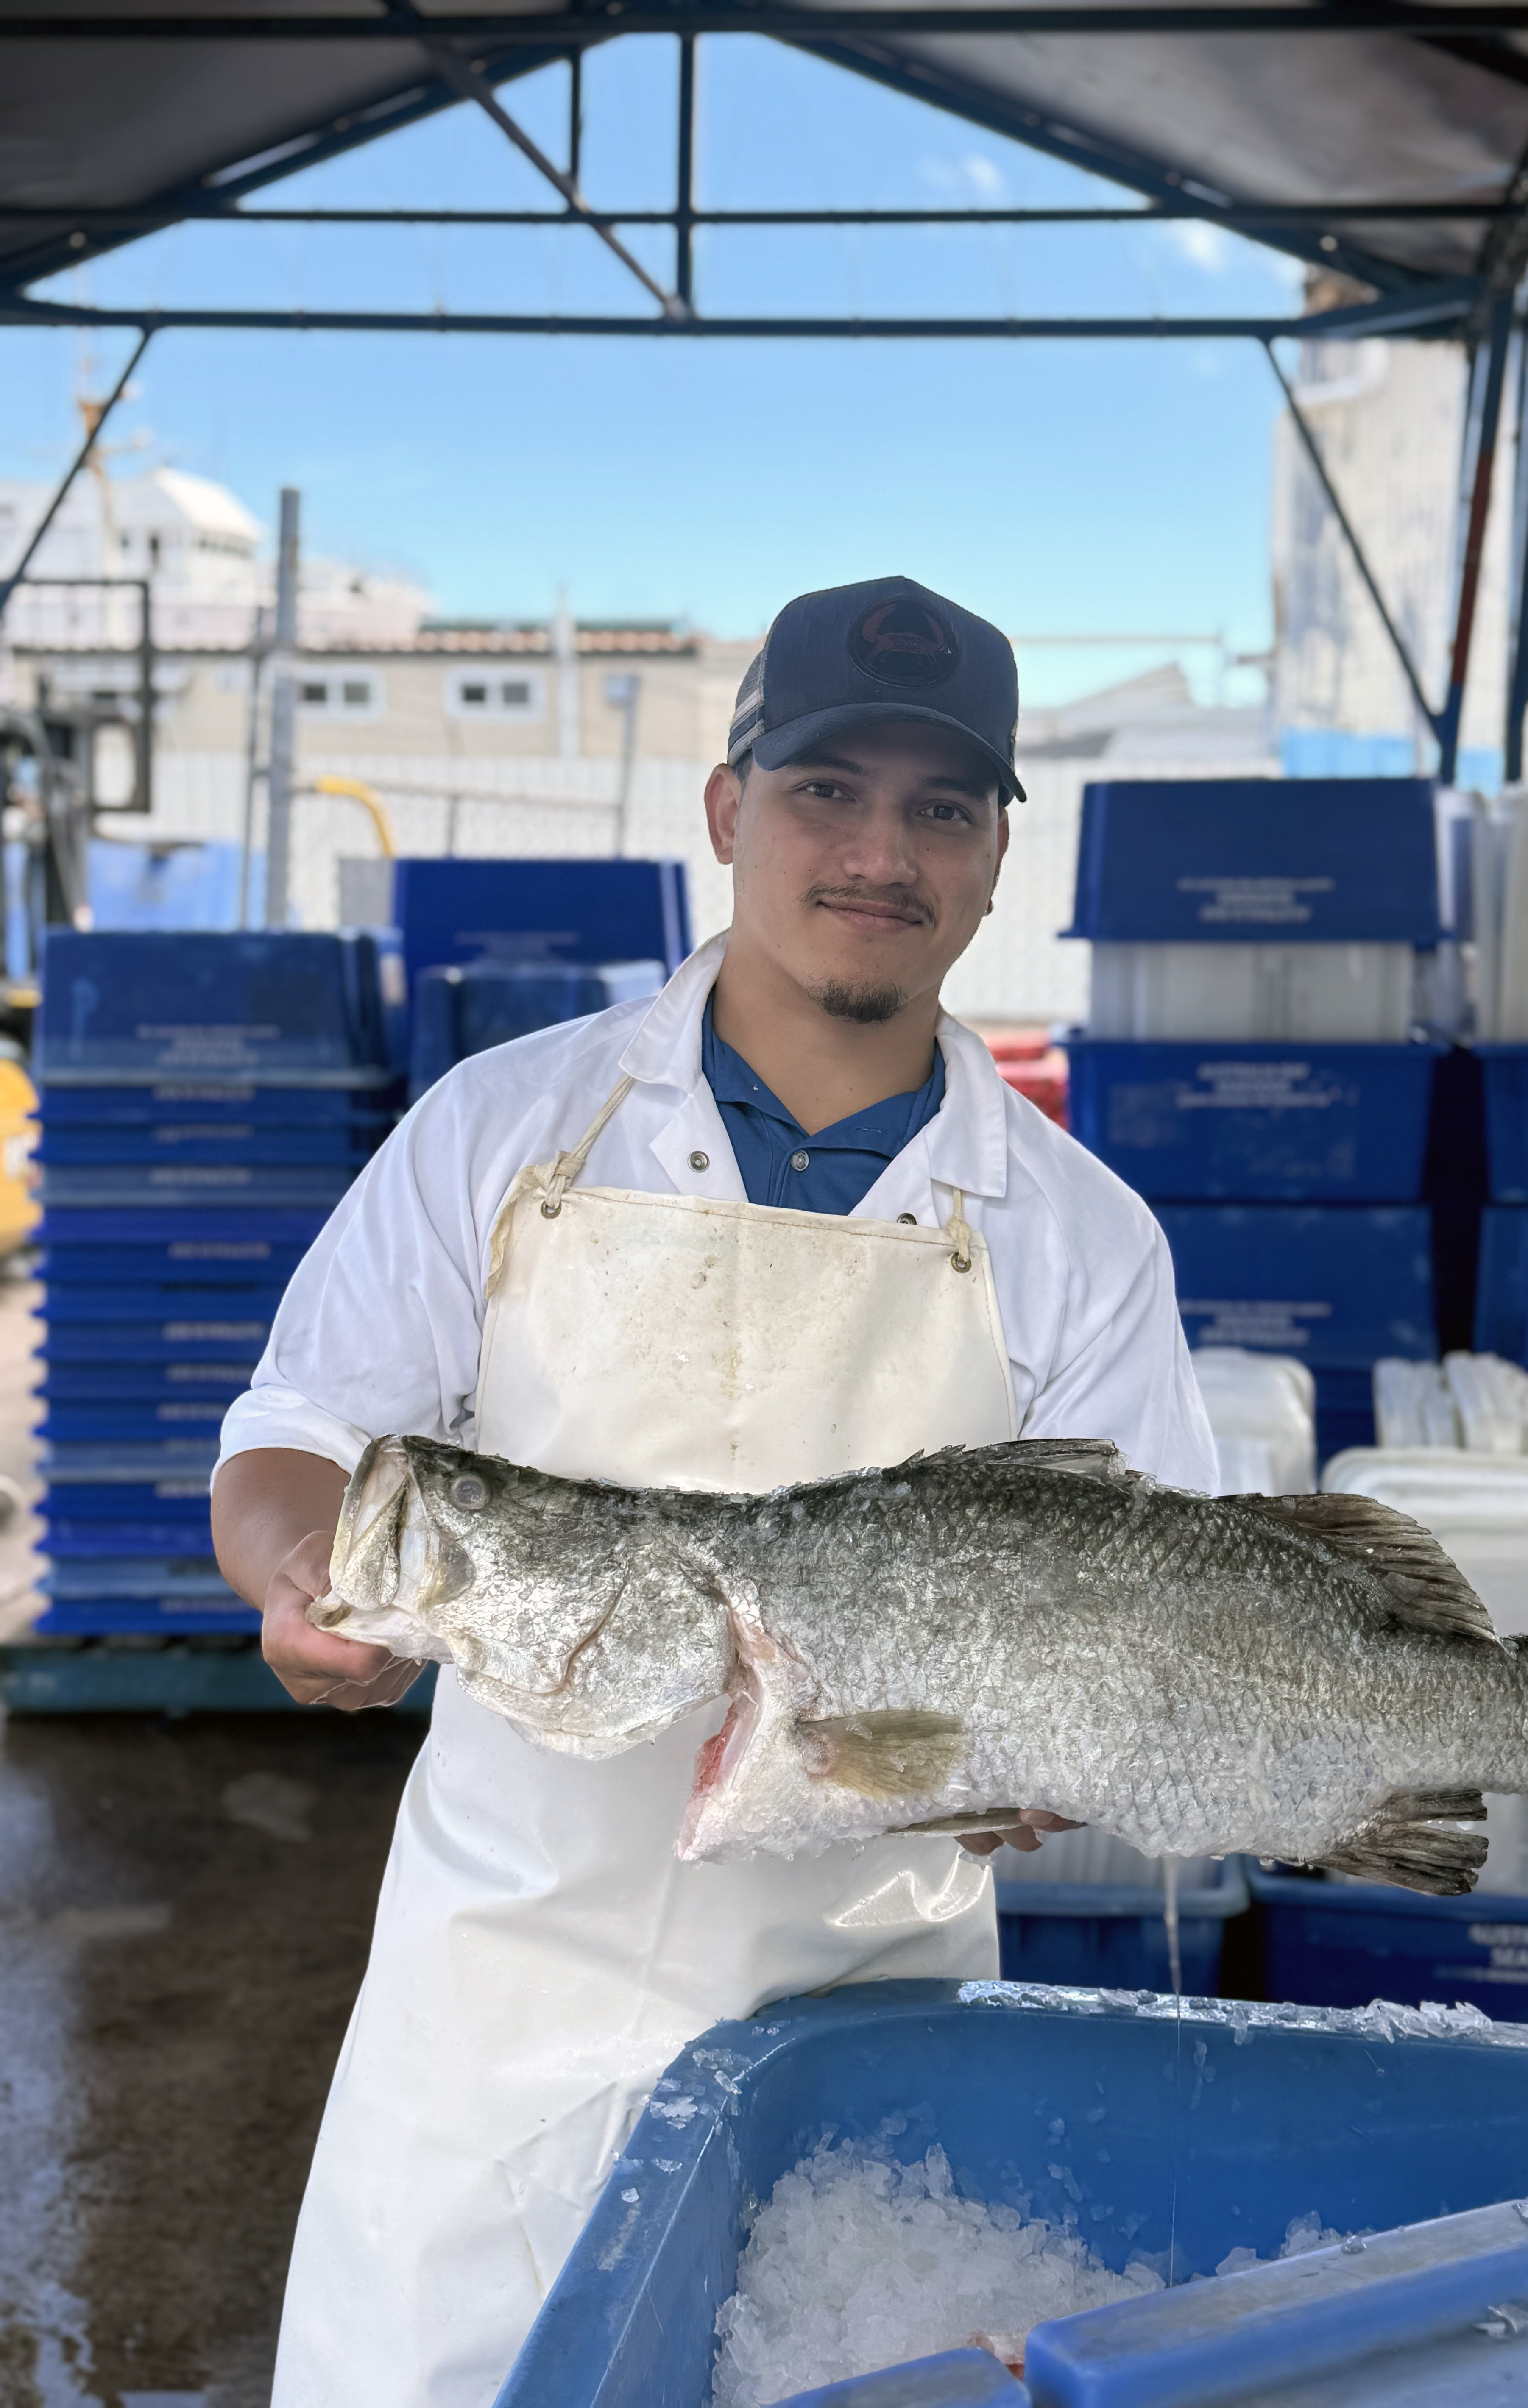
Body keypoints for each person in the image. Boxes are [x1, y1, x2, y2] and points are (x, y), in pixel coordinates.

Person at [212, 575, 1219, 2406]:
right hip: (487, 2016)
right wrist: (298, 1572)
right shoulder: (504, 1129)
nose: (880, 850)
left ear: (1000, 854)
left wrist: (1071, 1748)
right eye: (830, 788)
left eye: (942, 807)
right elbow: (297, 1428)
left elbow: (1158, 1602)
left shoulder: (1083, 1239)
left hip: (869, 2035)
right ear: (726, 811)